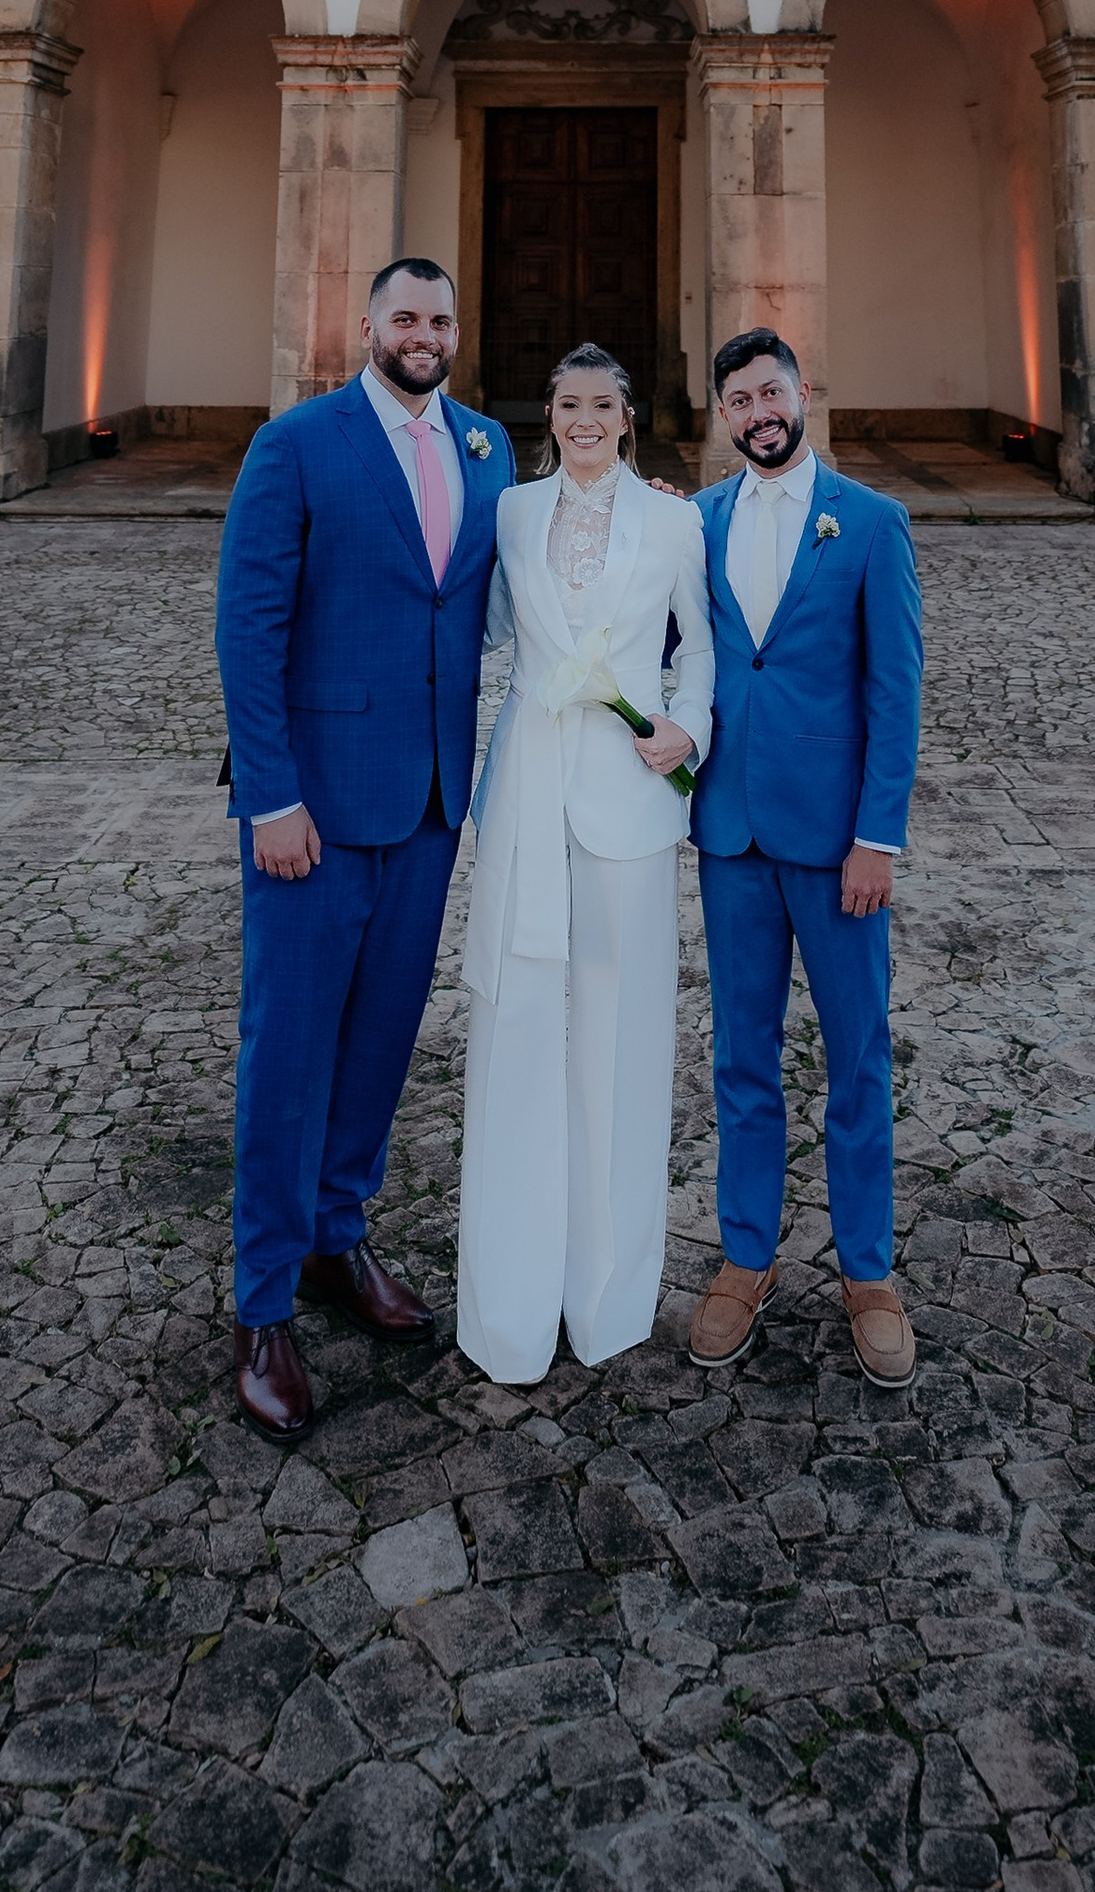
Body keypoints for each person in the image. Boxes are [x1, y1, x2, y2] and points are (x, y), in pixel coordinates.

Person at [212, 256, 515, 1444]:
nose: (424, 334)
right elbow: (249, 626)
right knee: (287, 1046)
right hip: (316, 813)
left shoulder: (488, 447)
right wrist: (269, 798)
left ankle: (341, 1235)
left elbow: (518, 593)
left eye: (442, 317)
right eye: (405, 317)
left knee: (384, 1036)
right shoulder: (296, 445)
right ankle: (261, 1300)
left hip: (433, 803)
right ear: (367, 328)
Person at [455, 345, 713, 1385]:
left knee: (620, 1036)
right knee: (516, 1021)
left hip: (625, 792)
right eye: (567, 404)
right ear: (547, 415)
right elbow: (465, 631)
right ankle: (507, 1303)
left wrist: (686, 727)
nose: (584, 420)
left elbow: (697, 648)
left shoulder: (675, 521)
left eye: (602, 404)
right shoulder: (512, 514)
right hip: (525, 780)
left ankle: (606, 1297)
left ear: (627, 414)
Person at [686, 326, 924, 1390]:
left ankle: (868, 1273)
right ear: (723, 415)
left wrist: (877, 837)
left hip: (837, 850)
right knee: (741, 1057)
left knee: (856, 1058)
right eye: (738, 399)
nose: (757, 412)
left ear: (802, 394)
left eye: (770, 391)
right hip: (729, 835)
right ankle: (746, 1256)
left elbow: (894, 691)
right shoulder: (693, 521)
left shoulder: (872, 524)